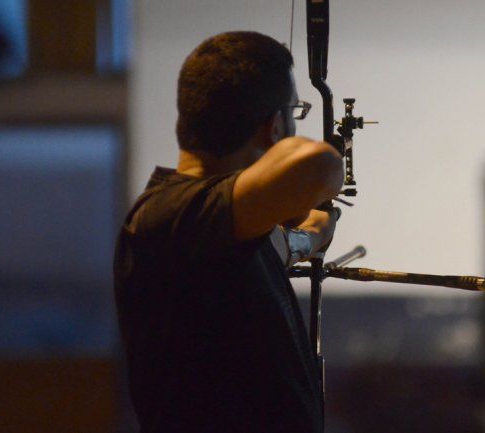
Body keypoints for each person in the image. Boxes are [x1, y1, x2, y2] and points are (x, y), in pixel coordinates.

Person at [113, 31, 343, 433]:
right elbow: (320, 166)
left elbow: (278, 244)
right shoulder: (174, 216)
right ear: (274, 126)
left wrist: (307, 238)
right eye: (294, 112)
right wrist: (293, 206)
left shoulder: (223, 228)